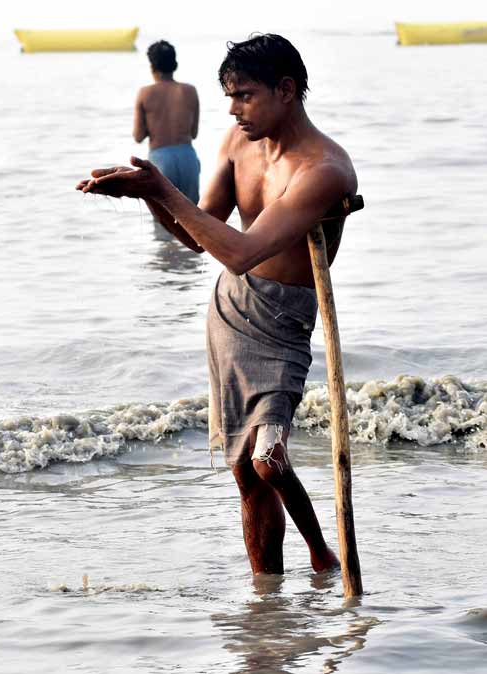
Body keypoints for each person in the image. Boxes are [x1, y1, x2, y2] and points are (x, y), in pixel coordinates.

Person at [78, 34, 357, 576]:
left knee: (268, 456)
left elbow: (240, 250)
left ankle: (321, 553)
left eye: (244, 95)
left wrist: (163, 188)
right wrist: (151, 196)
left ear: (287, 90)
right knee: (246, 474)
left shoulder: (324, 169)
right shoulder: (236, 141)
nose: (232, 109)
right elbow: (196, 236)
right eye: (228, 95)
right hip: (231, 313)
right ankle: (266, 597)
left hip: (284, 316)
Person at [133, 41, 200, 204]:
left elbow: (138, 136)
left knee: (162, 218)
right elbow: (194, 133)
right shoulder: (190, 90)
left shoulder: (144, 93)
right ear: (174, 64)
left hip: (160, 158)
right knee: (193, 218)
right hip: (187, 157)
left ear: (152, 67)